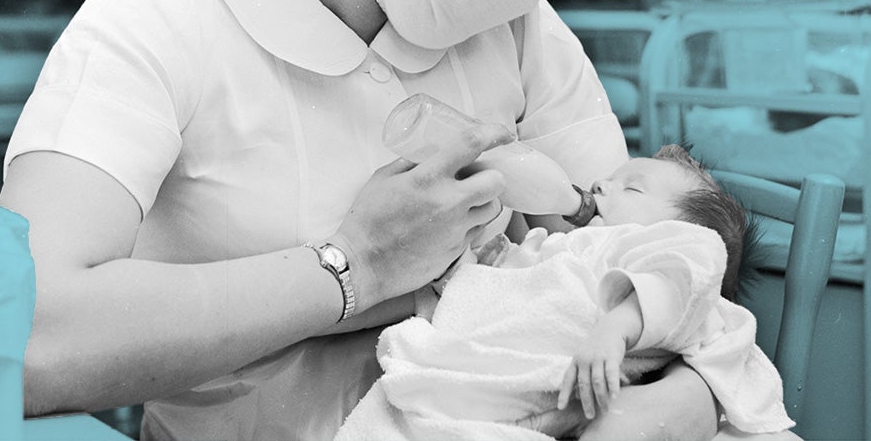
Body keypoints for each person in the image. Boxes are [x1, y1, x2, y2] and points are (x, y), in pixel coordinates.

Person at [0, 0, 729, 439]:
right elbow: (25, 339)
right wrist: (352, 267)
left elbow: (645, 263)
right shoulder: (160, 22)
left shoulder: (520, 32)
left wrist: (698, 392)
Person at [334, 145, 792, 440]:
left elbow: (681, 279)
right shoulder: (567, 245)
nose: (600, 185)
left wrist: (616, 327)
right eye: (610, 177)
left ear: (676, 227)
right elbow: (509, 285)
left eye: (631, 186)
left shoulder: (669, 248)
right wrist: (480, 264)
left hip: (548, 393)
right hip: (488, 377)